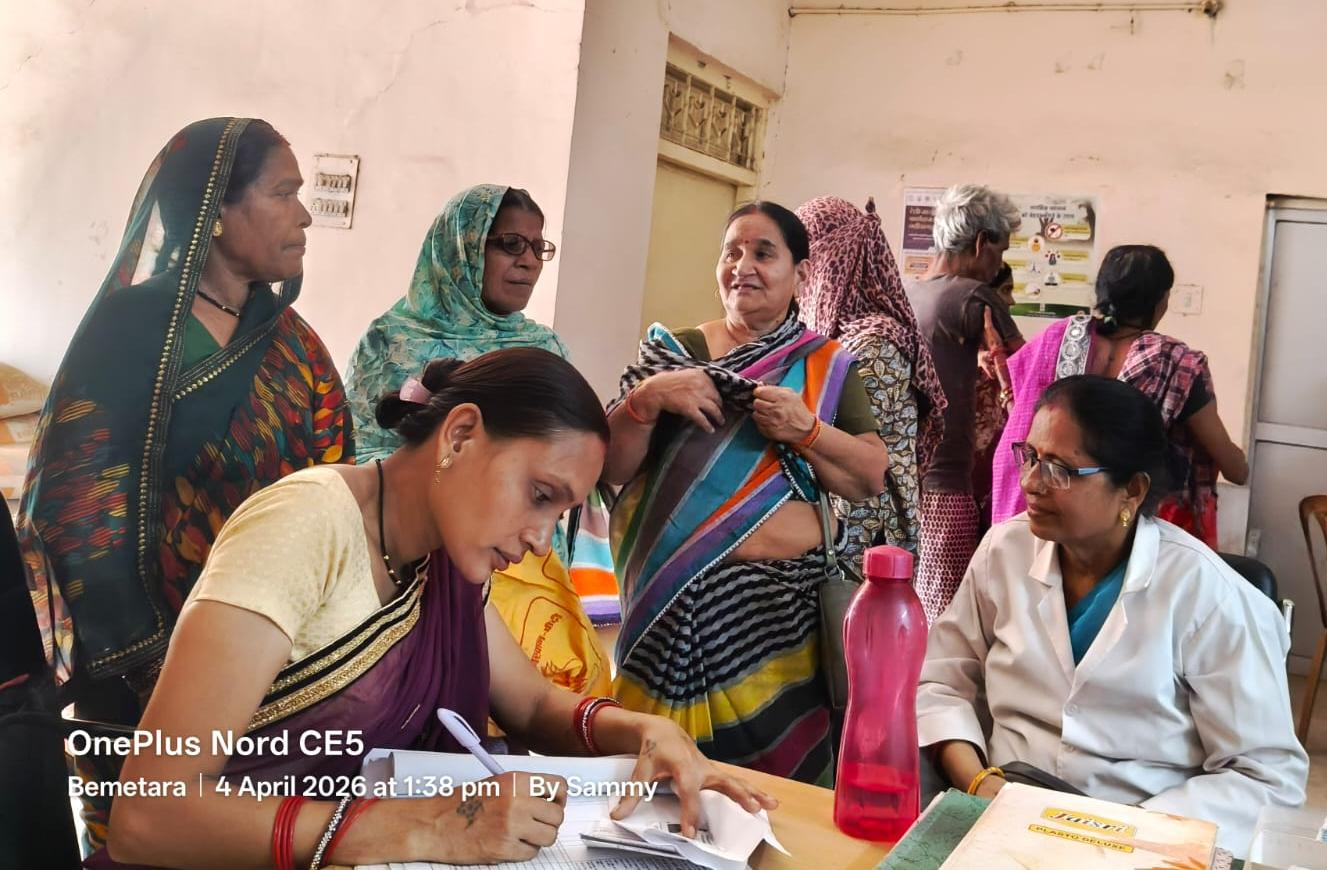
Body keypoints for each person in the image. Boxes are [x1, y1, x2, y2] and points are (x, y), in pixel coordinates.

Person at [106, 348, 776, 868]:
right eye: (539, 495)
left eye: (562, 513)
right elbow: (149, 814)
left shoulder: (441, 557)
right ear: (459, 436)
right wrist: (419, 825)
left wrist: (645, 731)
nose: (542, 540)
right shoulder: (304, 525)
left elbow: (531, 706)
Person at [16, 117, 351, 845]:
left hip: (269, 661)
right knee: (147, 837)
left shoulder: (296, 347)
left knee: (253, 837)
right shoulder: (127, 334)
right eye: (283, 193)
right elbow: (77, 507)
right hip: (137, 666)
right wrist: (146, 654)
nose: (303, 215)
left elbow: (334, 491)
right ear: (214, 210)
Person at [917, 376, 1306, 856]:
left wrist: (1119, 834)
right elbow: (942, 684)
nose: (1031, 482)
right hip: (998, 811)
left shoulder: (1210, 597)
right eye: (1031, 456)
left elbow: (1266, 777)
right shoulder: (1005, 551)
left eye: (1061, 469)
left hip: (1140, 843)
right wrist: (979, 784)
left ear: (1132, 491)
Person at [605, 201, 890, 785]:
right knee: (658, 785)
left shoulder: (825, 366)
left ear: (800, 273)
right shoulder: (673, 352)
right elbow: (610, 465)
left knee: (775, 785)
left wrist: (806, 429)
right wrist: (648, 399)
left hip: (778, 621)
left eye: (763, 253)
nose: (743, 266)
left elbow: (867, 478)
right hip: (670, 605)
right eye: (731, 252)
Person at [345, 184, 616, 697]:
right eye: (511, 244)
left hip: (522, 563)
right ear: (463, 247)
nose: (528, 262)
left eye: (538, 247)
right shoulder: (391, 339)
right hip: (411, 555)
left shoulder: (543, 348)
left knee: (525, 693)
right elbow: (362, 448)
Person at [991, 245, 1246, 547]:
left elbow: (1023, 420)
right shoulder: (1177, 363)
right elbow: (1234, 468)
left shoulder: (1054, 340)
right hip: (1125, 534)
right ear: (1161, 301)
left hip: (1048, 518)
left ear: (1101, 292)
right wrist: (1238, 464)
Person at [795, 194, 947, 566]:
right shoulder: (842, 337)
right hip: (839, 526)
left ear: (832, 261)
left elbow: (852, 450)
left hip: (867, 536)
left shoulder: (874, 345)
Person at [906, 184, 1025, 623]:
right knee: (947, 622)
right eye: (1000, 251)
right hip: (947, 487)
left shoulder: (908, 292)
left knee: (908, 609)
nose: (997, 265)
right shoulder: (975, 296)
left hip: (901, 484)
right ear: (981, 243)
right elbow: (1026, 375)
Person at [971, 263, 1015, 534]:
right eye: (1005, 291)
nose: (1011, 301)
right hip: (965, 482)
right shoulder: (954, 351)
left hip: (998, 477)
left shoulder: (1008, 349)